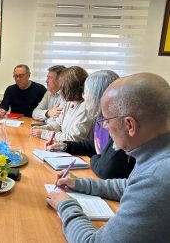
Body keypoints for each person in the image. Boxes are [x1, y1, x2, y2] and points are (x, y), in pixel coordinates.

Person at [46, 73, 170, 243]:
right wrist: (79, 183)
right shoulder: (156, 156)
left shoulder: (158, 178)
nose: (103, 125)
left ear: (129, 125)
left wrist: (66, 205)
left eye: (106, 119)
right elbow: (130, 185)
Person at [46, 70, 135, 179]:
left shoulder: (119, 125)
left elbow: (106, 171)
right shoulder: (101, 118)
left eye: (86, 92)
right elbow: (95, 145)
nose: (83, 97)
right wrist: (65, 146)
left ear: (98, 96)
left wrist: (94, 158)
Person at [31, 66, 93, 142]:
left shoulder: (85, 107)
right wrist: (42, 128)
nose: (61, 89)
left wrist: (44, 133)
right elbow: (58, 124)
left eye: (62, 85)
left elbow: (73, 138)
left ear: (70, 87)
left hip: (78, 152)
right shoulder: (70, 103)